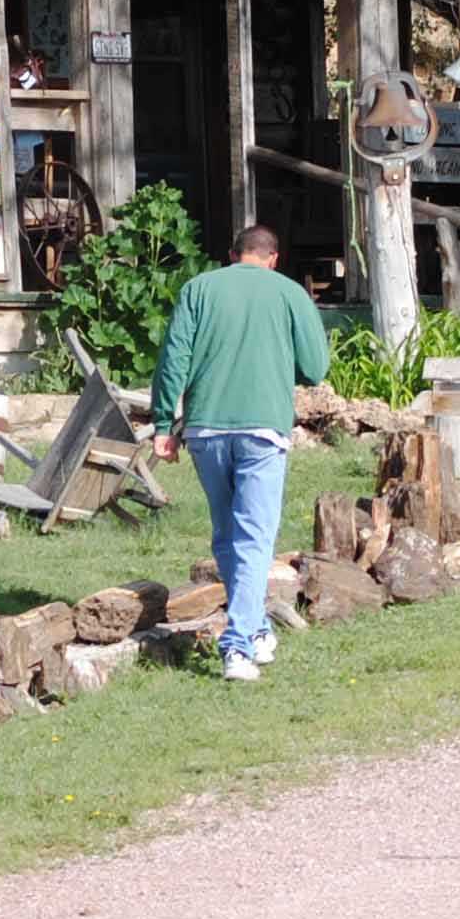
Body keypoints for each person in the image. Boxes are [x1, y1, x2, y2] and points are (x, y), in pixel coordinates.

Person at [147, 222, 333, 684]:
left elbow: (174, 359)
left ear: (232, 255)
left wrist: (164, 425)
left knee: (228, 536)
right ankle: (237, 646)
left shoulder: (198, 289)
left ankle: (258, 628)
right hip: (263, 429)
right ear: (274, 258)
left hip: (206, 429)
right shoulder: (290, 293)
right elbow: (315, 368)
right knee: (253, 539)